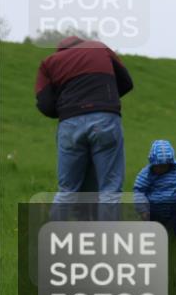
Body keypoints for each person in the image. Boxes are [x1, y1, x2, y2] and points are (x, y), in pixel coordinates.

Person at [35, 35, 134, 216]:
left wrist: (68, 109)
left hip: (70, 125)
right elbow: (126, 83)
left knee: (67, 191)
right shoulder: (99, 48)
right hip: (105, 120)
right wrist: (103, 100)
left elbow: (45, 105)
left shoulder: (48, 63)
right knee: (110, 190)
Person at [133, 140, 176, 236]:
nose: (160, 169)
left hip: (173, 208)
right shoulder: (147, 174)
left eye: (164, 166)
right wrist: (142, 210)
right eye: (157, 166)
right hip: (154, 210)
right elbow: (139, 191)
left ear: (170, 163)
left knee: (172, 230)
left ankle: (174, 235)